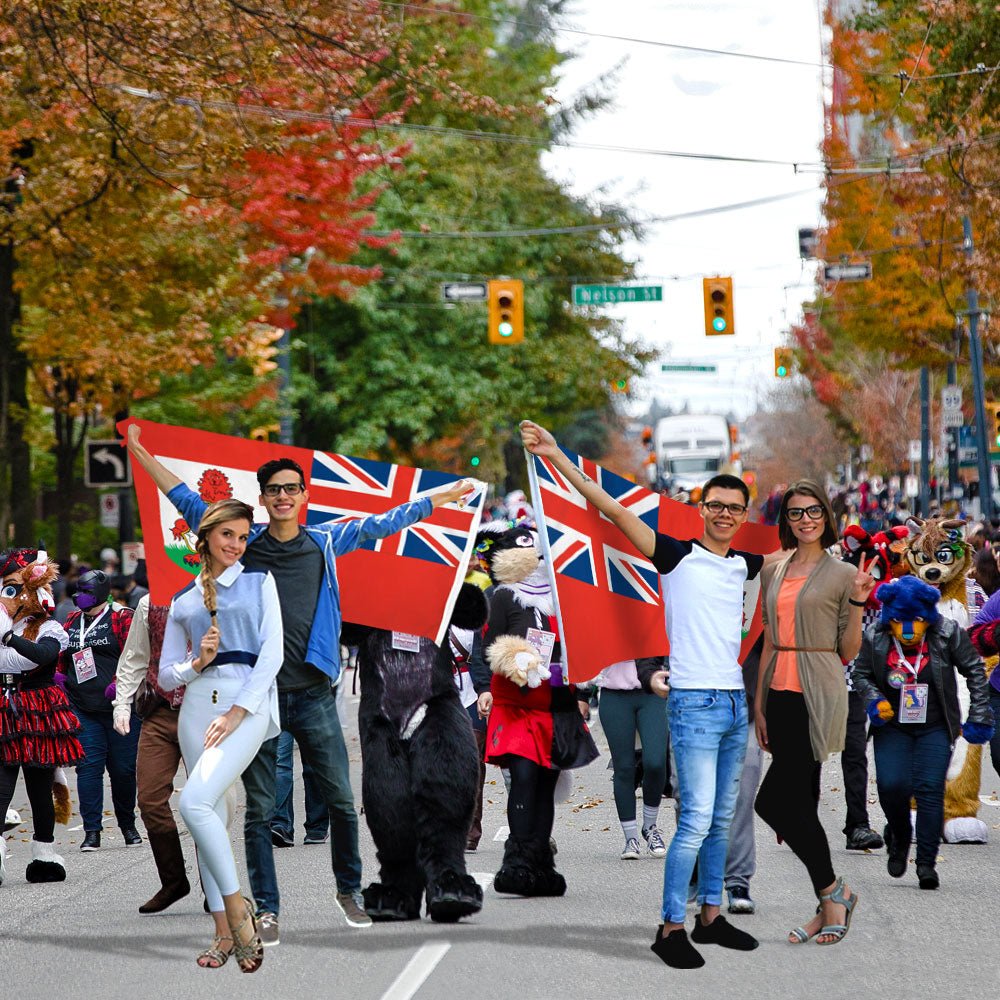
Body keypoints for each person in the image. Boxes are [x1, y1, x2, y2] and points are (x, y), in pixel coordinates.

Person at [127, 423, 471, 942]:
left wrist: (438, 498)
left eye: (292, 488)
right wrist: (140, 454)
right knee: (262, 810)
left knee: (338, 798)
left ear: (304, 495)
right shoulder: (243, 543)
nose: (284, 496)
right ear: (262, 499)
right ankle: (267, 909)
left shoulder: (326, 542)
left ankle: (349, 891)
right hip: (257, 699)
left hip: (313, 694)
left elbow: (384, 523)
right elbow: (182, 497)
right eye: (274, 490)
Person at [520, 419, 760, 970]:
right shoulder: (677, 556)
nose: (724, 514)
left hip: (732, 703)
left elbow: (796, 562)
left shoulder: (744, 564)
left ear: (744, 515)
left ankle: (711, 917)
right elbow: (611, 509)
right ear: (702, 509)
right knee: (697, 818)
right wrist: (558, 454)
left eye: (734, 507)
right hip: (694, 703)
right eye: (716, 505)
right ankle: (670, 927)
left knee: (721, 817)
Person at [157, 498, 279, 971]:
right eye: (228, 534)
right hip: (195, 710)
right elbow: (166, 677)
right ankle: (222, 936)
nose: (236, 544)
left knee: (193, 802)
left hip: (243, 707)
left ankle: (239, 916)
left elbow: (272, 655)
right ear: (206, 536)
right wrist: (197, 663)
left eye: (243, 536)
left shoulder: (259, 582)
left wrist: (237, 711)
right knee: (211, 817)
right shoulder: (184, 600)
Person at [754, 480, 873, 946]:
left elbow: (847, 649)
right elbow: (768, 637)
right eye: (796, 513)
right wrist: (760, 704)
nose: (805, 520)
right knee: (798, 804)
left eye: (814, 512)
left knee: (771, 802)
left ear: (827, 516)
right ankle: (829, 901)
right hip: (778, 691)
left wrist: (860, 602)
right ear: (786, 520)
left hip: (817, 690)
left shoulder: (843, 573)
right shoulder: (773, 568)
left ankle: (833, 892)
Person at [855, 575, 993, 890]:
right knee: (892, 786)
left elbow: (974, 668)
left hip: (935, 725)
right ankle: (900, 836)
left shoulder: (947, 633)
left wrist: (979, 713)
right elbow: (862, 674)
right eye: (900, 621)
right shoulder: (875, 636)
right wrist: (875, 701)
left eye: (916, 620)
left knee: (930, 790)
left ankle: (927, 863)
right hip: (892, 725)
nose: (908, 629)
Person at [0, 547, 81, 885]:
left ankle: (44, 854)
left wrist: (7, 639)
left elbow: (41, 657)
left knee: (39, 787)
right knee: (2, 788)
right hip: (4, 708)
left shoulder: (49, 628)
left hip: (37, 710)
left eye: (15, 588)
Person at [112, 595, 192, 913]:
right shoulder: (149, 603)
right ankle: (173, 880)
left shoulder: (220, 592)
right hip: (159, 712)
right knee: (149, 799)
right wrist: (121, 703)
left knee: (206, 801)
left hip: (204, 712)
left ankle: (216, 884)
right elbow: (134, 658)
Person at [60, 570, 141, 851]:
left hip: (121, 707)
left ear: (100, 592)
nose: (78, 595)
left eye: (85, 590)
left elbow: (137, 656)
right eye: (78, 590)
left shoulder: (123, 617)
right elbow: (63, 654)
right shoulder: (72, 620)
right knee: (88, 769)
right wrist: (59, 677)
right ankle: (92, 831)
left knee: (123, 771)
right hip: (83, 707)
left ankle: (128, 826)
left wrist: (120, 684)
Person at [595, 658, 669, 861]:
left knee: (656, 761)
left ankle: (650, 827)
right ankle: (631, 838)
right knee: (624, 767)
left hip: (651, 692)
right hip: (614, 694)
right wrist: (583, 695)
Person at [270, 729, 329, 847]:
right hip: (282, 711)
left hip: (312, 711)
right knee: (280, 762)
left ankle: (317, 828)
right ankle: (281, 825)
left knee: (312, 764)